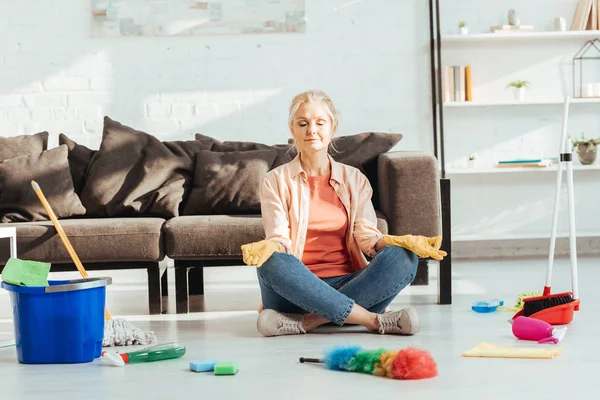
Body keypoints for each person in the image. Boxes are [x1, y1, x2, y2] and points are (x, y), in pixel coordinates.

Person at [241, 89, 447, 337]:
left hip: (351, 283)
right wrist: (270, 247)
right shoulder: (275, 180)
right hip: (296, 290)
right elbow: (279, 238)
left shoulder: (354, 179)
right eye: (303, 123)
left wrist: (395, 242)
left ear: (333, 127)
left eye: (320, 123)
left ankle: (306, 323)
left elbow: (367, 237)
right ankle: (370, 320)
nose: (311, 130)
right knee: (272, 262)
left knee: (403, 258)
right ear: (291, 129)